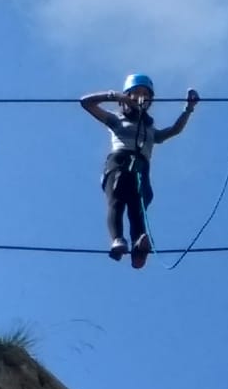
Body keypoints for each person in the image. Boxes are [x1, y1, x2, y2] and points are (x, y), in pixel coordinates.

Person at [80, 74, 200, 268]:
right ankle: (118, 239)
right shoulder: (116, 120)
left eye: (145, 94)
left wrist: (189, 109)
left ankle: (139, 244)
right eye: (136, 93)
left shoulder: (149, 128)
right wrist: (116, 96)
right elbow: (86, 103)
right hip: (119, 163)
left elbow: (174, 130)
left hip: (140, 167)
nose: (141, 97)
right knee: (117, 201)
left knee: (137, 207)